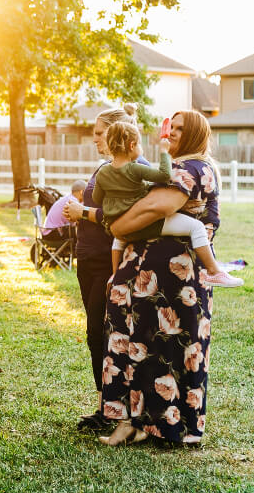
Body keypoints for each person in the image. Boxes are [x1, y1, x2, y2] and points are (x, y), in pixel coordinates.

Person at [98, 110, 219, 447]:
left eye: (182, 129)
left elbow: (156, 207)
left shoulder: (192, 168)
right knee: (137, 347)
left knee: (173, 349)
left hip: (175, 281)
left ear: (196, 133)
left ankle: (175, 428)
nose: (174, 133)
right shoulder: (173, 167)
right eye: (172, 127)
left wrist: (118, 226)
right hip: (144, 275)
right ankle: (133, 422)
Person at [62, 104, 142, 433]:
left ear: (114, 133)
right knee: (95, 334)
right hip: (89, 258)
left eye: (99, 133)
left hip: (108, 263)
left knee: (102, 332)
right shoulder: (104, 167)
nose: (95, 139)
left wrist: (83, 212)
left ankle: (114, 409)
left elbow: (124, 219)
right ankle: (104, 406)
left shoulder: (134, 169)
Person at [95, 122, 242, 288]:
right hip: (145, 226)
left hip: (117, 225)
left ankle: (114, 275)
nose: (171, 132)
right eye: (141, 143)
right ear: (132, 145)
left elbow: (97, 198)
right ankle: (215, 272)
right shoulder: (135, 169)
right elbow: (164, 175)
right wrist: (163, 152)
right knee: (196, 228)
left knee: (118, 241)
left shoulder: (103, 172)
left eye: (179, 128)